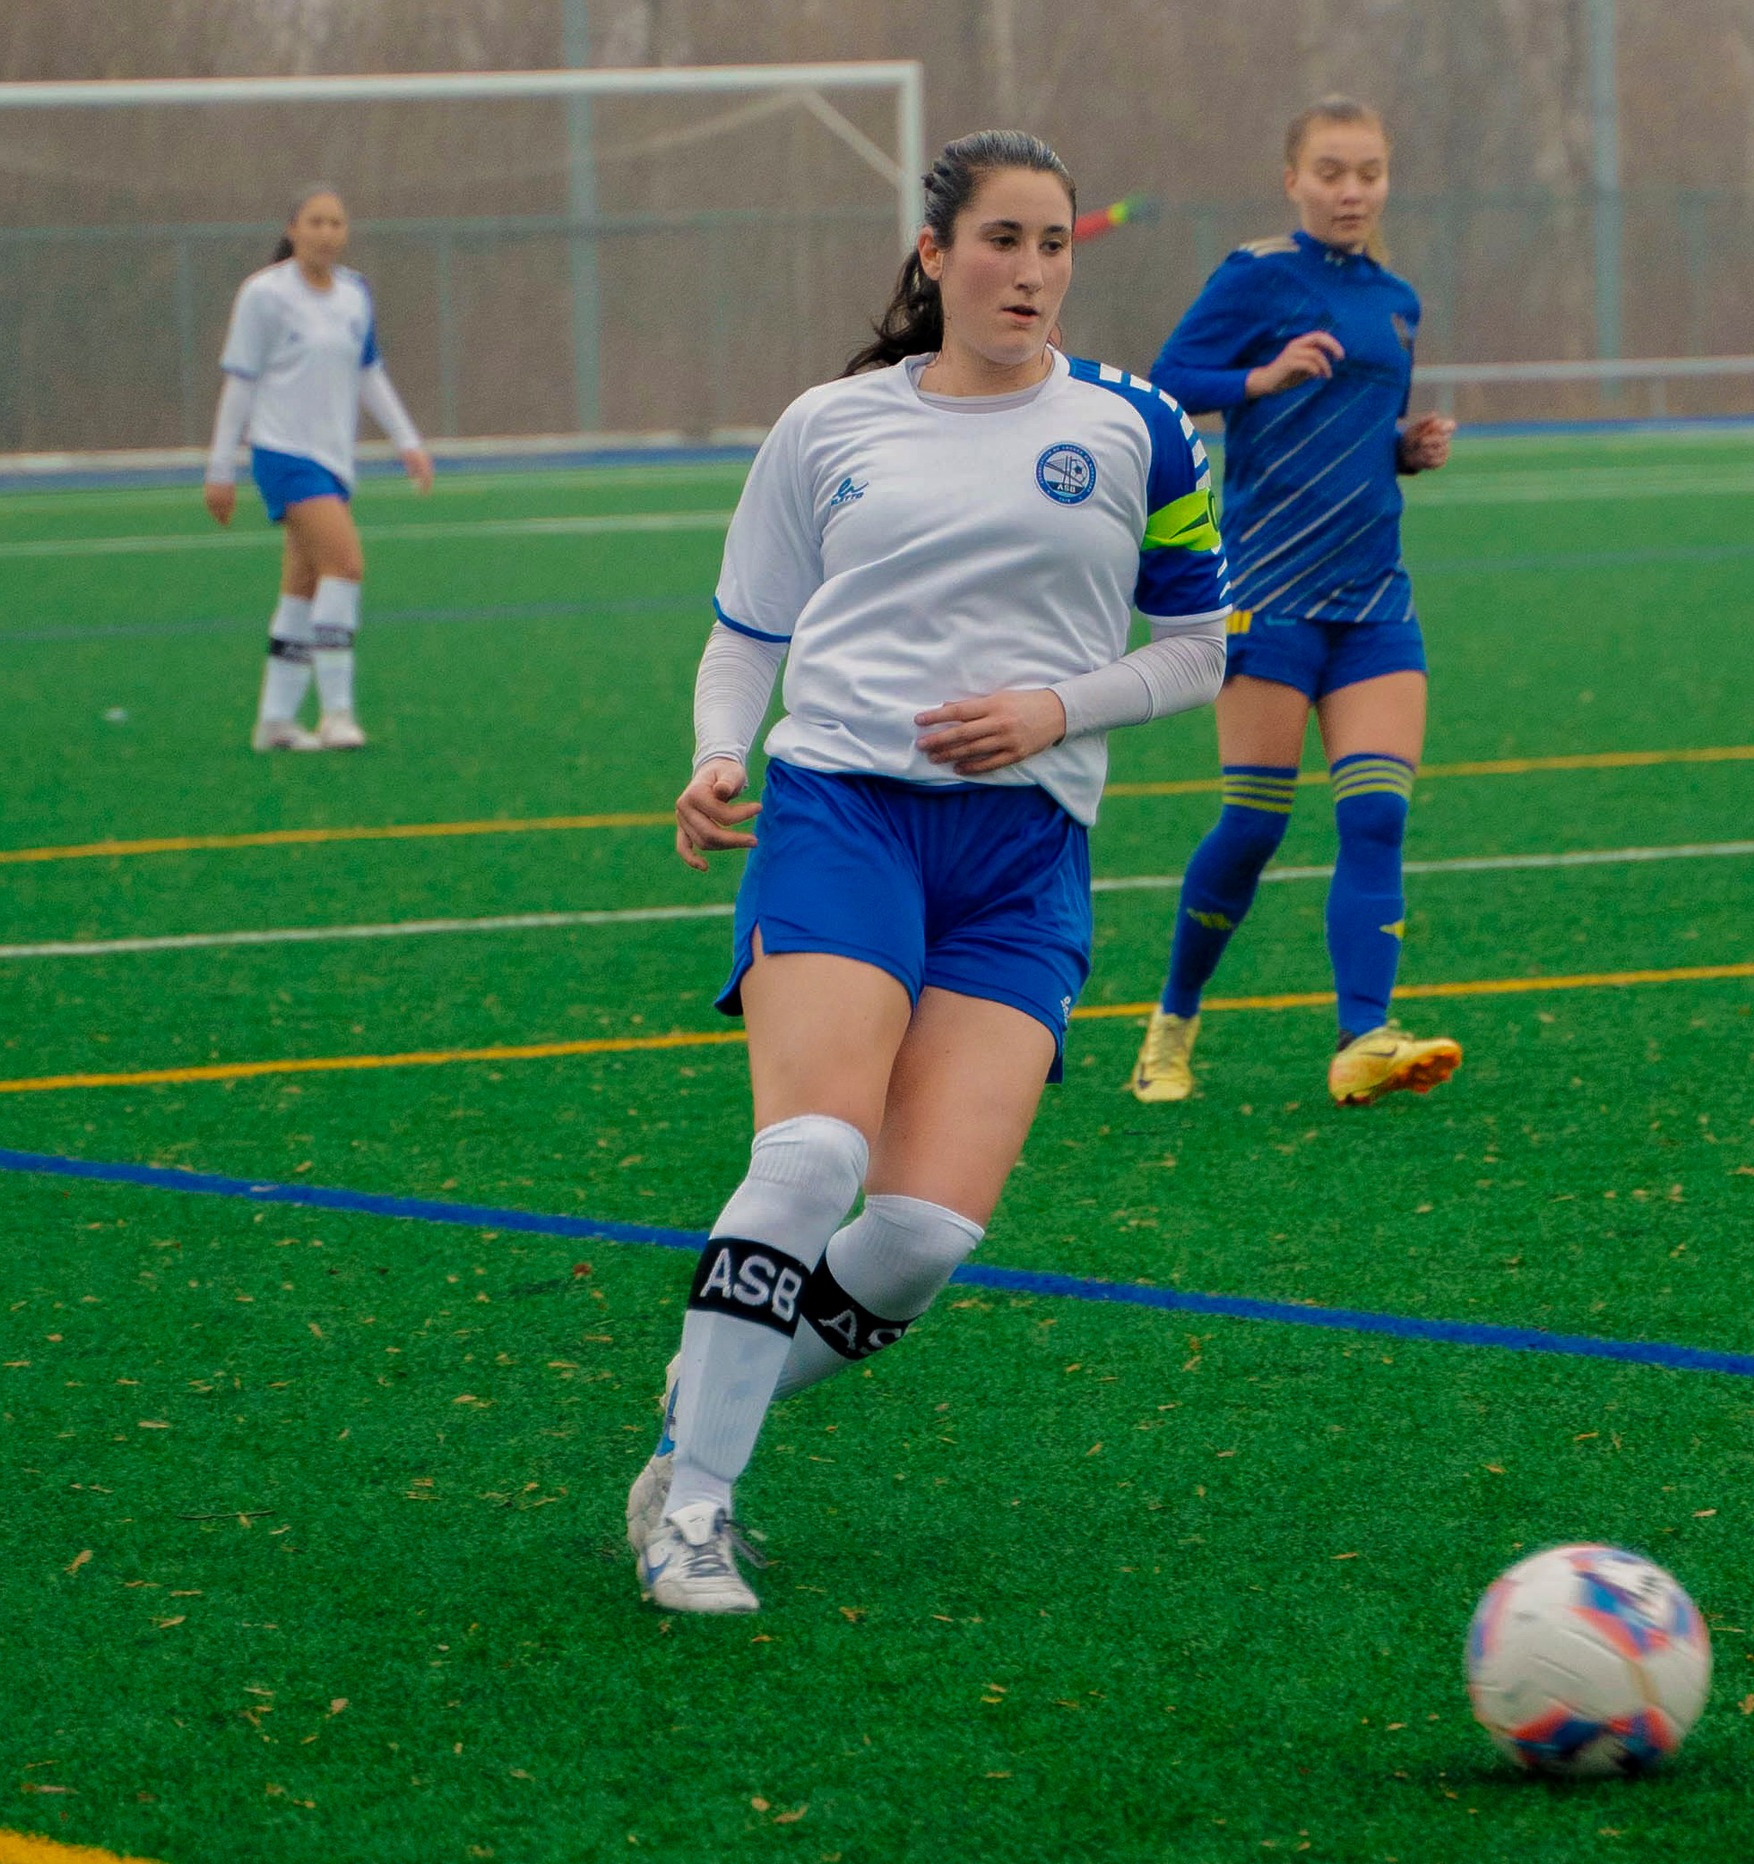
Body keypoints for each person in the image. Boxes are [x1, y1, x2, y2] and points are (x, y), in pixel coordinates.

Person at [626, 130, 1232, 1614]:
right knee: (813, 1158)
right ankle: (691, 1509)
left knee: (911, 1242)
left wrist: (1054, 708)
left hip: (1026, 855)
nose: (1031, 272)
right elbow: (749, 629)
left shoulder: (1143, 427)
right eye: (1002, 242)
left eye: (1053, 245)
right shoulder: (831, 423)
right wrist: (721, 756)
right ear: (936, 256)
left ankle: (712, 1387)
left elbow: (1202, 650)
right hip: (845, 814)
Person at [1130, 98, 1461, 1109]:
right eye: (1329, 171)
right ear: (1292, 179)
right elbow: (1163, 384)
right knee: (1252, 826)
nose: (1349, 190)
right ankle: (1169, 1029)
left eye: (1366, 172)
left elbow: (1365, 431)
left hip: (1372, 599)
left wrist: (1404, 450)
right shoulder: (1255, 274)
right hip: (1266, 595)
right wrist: (1258, 376)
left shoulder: (1396, 300)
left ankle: (1364, 1034)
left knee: (1375, 820)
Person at [203, 187, 432, 752]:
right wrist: (219, 468)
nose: (327, 232)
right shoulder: (264, 295)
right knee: (346, 565)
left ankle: (276, 722)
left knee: (303, 585)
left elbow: (368, 372)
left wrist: (407, 441)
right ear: (294, 229)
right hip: (282, 454)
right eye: (315, 221)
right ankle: (336, 713)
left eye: (336, 222)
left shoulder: (354, 293)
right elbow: (240, 381)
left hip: (334, 461)